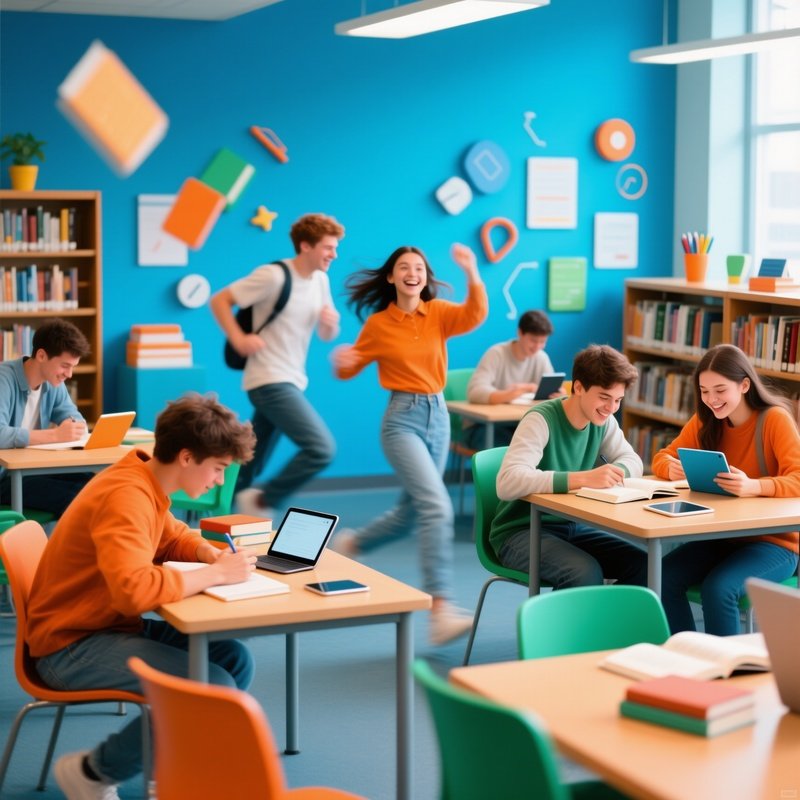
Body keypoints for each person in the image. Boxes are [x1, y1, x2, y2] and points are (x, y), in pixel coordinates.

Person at [26, 394, 258, 799]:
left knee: (232, 658)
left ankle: (165, 763)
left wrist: (205, 551)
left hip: (103, 627)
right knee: (214, 684)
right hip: (69, 645)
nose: (220, 481)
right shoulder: (127, 497)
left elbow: (172, 535)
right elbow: (134, 591)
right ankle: (91, 772)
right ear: (186, 457)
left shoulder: (144, 478)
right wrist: (213, 574)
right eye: (218, 468)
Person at [332, 243, 488, 645]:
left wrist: (471, 271)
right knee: (436, 506)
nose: (412, 272)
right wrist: (343, 363)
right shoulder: (379, 325)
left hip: (439, 419)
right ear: (391, 277)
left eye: (418, 267)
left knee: (413, 510)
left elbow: (475, 314)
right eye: (404, 267)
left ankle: (353, 542)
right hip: (401, 420)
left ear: (424, 277)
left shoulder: (437, 314)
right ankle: (441, 610)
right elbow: (351, 368)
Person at [651, 344, 800, 636]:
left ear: (744, 385)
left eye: (720, 390)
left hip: (777, 543)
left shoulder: (774, 419)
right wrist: (669, 467)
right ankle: (689, 658)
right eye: (704, 391)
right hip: (723, 536)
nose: (711, 400)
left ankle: (728, 675)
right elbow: (662, 456)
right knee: (663, 576)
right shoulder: (707, 420)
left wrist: (754, 486)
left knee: (719, 589)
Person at [210, 213, 345, 518]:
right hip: (268, 378)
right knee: (321, 448)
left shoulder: (321, 280)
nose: (334, 255)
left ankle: (222, 517)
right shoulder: (273, 276)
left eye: (335, 248)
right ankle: (261, 501)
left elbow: (326, 334)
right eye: (328, 248)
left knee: (248, 461)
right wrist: (239, 338)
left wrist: (330, 324)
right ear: (305, 246)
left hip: (292, 379)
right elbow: (219, 300)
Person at [492, 344, 648, 588]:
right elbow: (507, 482)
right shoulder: (540, 419)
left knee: (645, 565)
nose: (611, 408)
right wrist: (583, 478)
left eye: (618, 400)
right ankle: (567, 627)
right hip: (520, 532)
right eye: (604, 397)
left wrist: (615, 474)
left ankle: (607, 623)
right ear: (578, 387)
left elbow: (633, 461)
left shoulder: (603, 421)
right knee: (584, 573)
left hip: (571, 526)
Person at [0, 319, 93, 516]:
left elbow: (72, 415)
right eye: (65, 366)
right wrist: (55, 436)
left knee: (98, 481)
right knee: (81, 496)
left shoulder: (52, 382)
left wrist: (76, 426)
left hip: (31, 469)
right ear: (41, 355)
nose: (69, 374)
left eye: (73, 367)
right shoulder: (4, 380)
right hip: (5, 477)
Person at [465, 309, 561, 448]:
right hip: (482, 427)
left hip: (518, 425)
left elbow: (549, 389)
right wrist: (507, 395)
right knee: (518, 448)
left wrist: (557, 396)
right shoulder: (496, 353)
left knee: (544, 443)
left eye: (542, 342)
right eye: (533, 340)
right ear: (520, 333)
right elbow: (475, 391)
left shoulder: (541, 357)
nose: (537, 347)